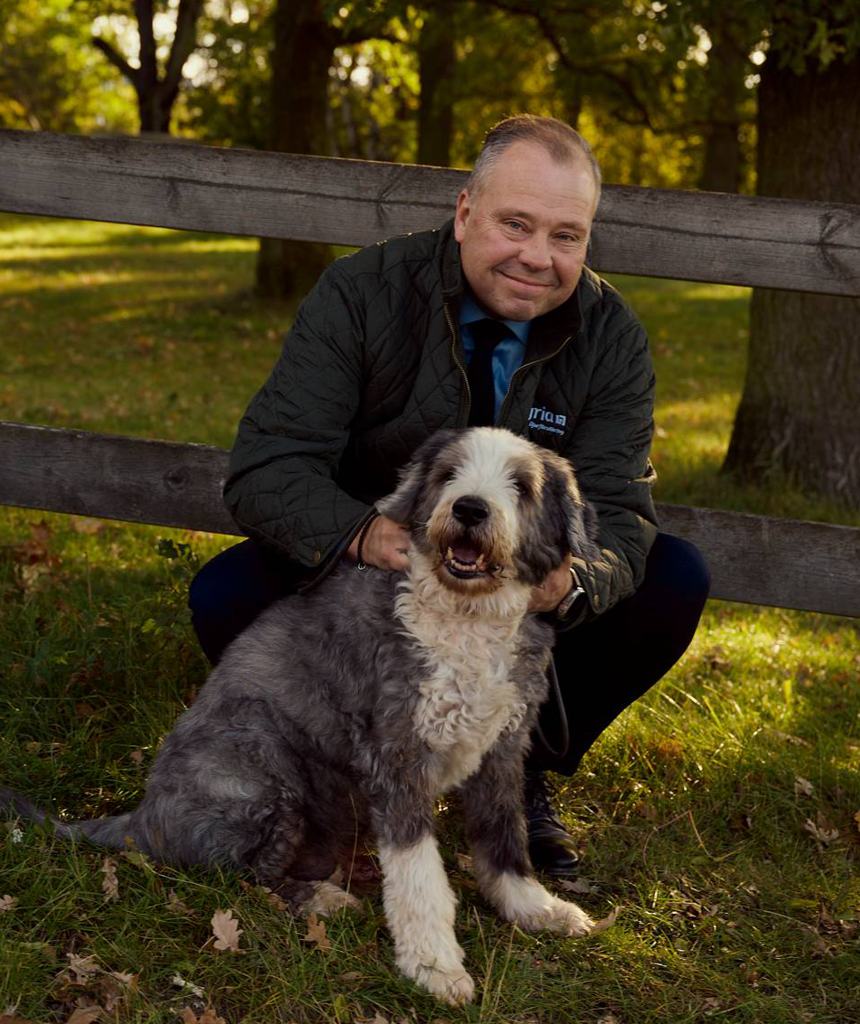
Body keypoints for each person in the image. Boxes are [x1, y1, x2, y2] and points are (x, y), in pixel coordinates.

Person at [188, 115, 710, 877]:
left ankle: (517, 773)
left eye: (566, 236)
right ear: (466, 213)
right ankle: (349, 781)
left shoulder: (612, 336)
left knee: (674, 580)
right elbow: (268, 467)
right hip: (377, 583)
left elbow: (621, 514)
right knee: (228, 593)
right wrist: (367, 536)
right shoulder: (361, 293)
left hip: (513, 597)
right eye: (515, 224)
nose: (538, 257)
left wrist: (572, 580)